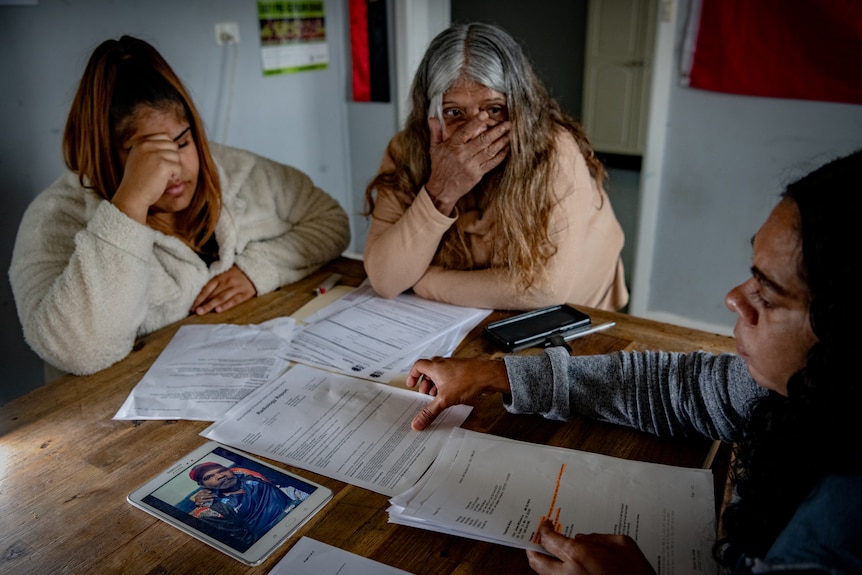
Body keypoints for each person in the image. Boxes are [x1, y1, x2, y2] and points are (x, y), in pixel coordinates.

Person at [405, 150, 862, 574]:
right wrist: (493, 372)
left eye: (769, 292)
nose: (734, 298)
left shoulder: (837, 532)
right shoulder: (796, 392)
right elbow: (678, 387)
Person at [8, 35, 350, 376]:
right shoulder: (54, 219)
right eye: (146, 153)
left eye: (182, 142)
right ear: (106, 155)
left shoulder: (234, 169)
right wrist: (130, 204)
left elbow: (331, 221)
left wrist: (258, 269)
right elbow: (79, 353)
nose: (173, 168)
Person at [362, 22, 628, 311]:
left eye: (493, 110)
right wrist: (440, 190)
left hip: (578, 312)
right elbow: (386, 280)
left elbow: (544, 287)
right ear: (430, 114)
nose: (475, 131)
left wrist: (423, 281)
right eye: (454, 112)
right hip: (465, 315)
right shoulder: (407, 150)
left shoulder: (553, 150)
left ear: (520, 106)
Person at [187, 462, 308, 547]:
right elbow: (248, 542)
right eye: (209, 477)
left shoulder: (245, 474)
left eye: (222, 470)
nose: (220, 476)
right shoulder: (212, 510)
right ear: (202, 485)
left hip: (303, 508)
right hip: (281, 535)